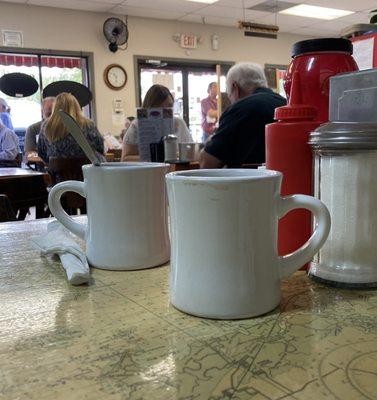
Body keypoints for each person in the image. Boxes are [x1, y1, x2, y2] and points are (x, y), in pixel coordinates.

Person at [200, 62, 286, 169]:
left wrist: (211, 141)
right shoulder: (286, 104)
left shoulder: (238, 110)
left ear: (235, 88)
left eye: (229, 94)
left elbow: (207, 164)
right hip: (287, 181)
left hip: (249, 183)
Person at [121, 85, 192, 161]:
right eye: (159, 108)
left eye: (169, 106)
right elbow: (125, 159)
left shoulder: (179, 123)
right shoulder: (137, 125)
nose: (165, 111)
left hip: (174, 171)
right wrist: (155, 158)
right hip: (147, 171)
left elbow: (191, 153)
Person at [37, 93, 104, 163]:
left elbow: (41, 153)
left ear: (55, 107)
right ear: (76, 106)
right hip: (86, 172)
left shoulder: (46, 126)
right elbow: (100, 148)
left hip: (57, 172)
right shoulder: (89, 125)